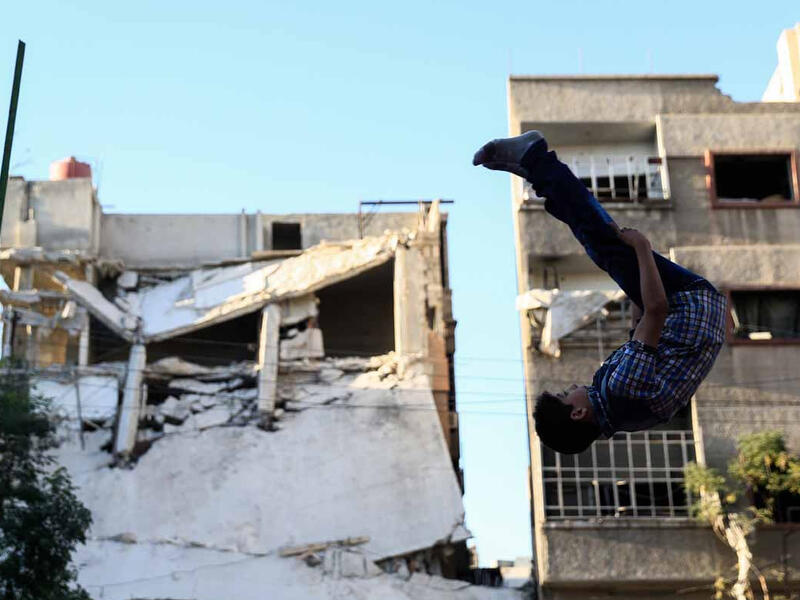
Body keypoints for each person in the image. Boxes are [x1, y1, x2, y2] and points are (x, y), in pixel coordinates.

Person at [473, 131, 726, 454]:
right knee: (603, 242)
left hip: (694, 313)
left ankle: (537, 172)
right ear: (578, 413)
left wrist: (632, 282)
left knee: (601, 245)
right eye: (567, 394)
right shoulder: (620, 390)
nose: (574, 387)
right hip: (689, 305)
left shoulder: (621, 411)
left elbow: (642, 328)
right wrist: (642, 249)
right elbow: (657, 310)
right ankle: (535, 160)